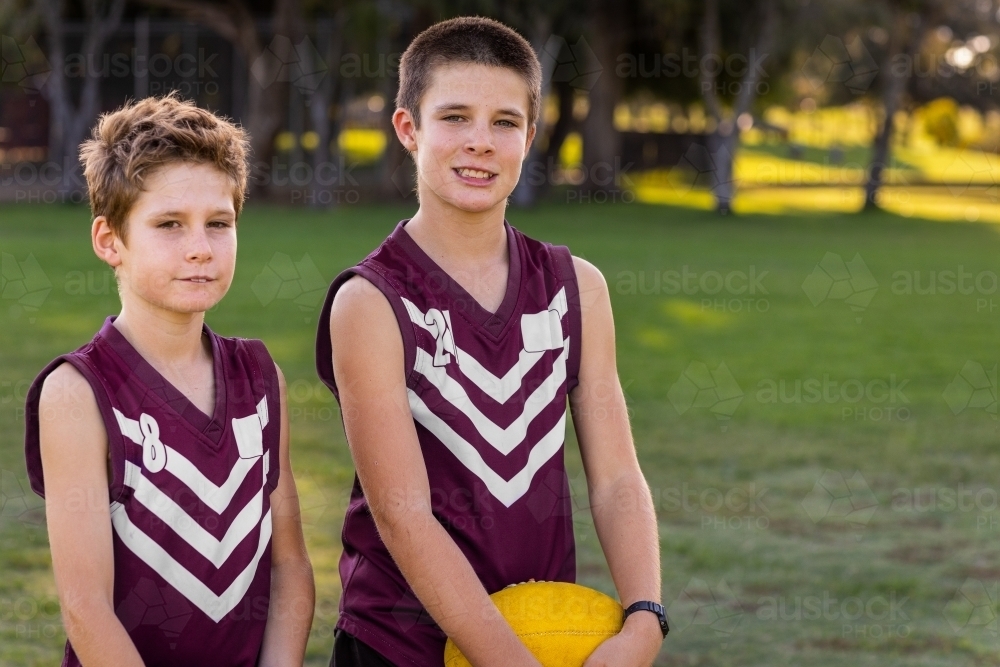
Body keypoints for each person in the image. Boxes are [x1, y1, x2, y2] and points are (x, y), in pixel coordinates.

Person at [316, 16, 665, 667]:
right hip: (400, 645)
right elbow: (403, 516)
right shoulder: (370, 301)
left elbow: (617, 478)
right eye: (454, 117)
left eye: (504, 122)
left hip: (542, 631)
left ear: (530, 138)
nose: (480, 141)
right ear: (408, 129)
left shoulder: (575, 288)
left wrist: (645, 619)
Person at [23, 94, 315, 667]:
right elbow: (86, 609)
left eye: (219, 224)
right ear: (110, 241)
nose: (200, 249)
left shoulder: (260, 378)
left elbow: (289, 567)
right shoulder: (77, 393)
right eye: (169, 225)